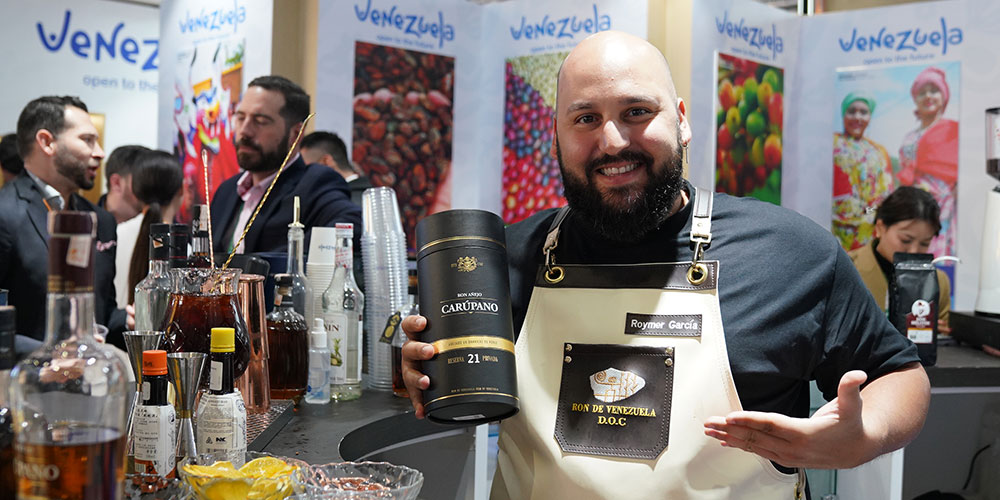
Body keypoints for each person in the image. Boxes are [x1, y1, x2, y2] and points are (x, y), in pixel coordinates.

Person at [401, 31, 929, 499]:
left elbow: (899, 373)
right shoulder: (505, 259)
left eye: (636, 112)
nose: (612, 141)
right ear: (556, 135)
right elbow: (428, 363)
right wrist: (416, 366)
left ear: (682, 120)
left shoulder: (790, 253)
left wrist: (866, 435)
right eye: (586, 118)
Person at [0, 96, 128, 352]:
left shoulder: (101, 220)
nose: (99, 152)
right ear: (47, 142)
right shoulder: (6, 213)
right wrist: (51, 353)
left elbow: (103, 313)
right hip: (26, 375)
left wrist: (129, 319)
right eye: (87, 140)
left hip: (92, 373)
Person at [210, 76, 362, 255]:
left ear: (295, 133)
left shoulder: (315, 183)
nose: (244, 131)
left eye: (260, 121)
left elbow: (352, 224)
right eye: (240, 118)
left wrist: (273, 263)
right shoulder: (226, 191)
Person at [849, 186, 951, 334]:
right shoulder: (847, 269)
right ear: (880, 228)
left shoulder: (938, 282)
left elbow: (947, 336)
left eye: (924, 243)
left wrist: (937, 333)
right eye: (905, 240)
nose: (914, 251)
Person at [897, 66, 958, 258]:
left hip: (945, 209)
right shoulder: (909, 137)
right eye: (922, 92)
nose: (928, 96)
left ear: (944, 96)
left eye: (934, 90)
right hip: (913, 208)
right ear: (915, 99)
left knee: (938, 257)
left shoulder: (953, 131)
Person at [114, 149, 183, 308]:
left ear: (135, 190)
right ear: (181, 190)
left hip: (118, 324)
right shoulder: (182, 248)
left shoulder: (115, 235)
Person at [832, 92, 894, 251]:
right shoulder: (832, 143)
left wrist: (867, 213)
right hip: (833, 228)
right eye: (852, 111)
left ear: (870, 117)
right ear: (843, 114)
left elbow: (886, 197)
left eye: (863, 112)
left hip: (867, 232)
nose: (857, 117)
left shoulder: (879, 152)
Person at [300, 131, 372, 207]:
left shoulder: (343, 202)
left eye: (306, 168)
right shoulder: (370, 197)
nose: (303, 176)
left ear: (326, 162)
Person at [98, 145, 150, 223]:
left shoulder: (159, 222)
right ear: (117, 183)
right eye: (145, 180)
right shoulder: (87, 223)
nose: (152, 187)